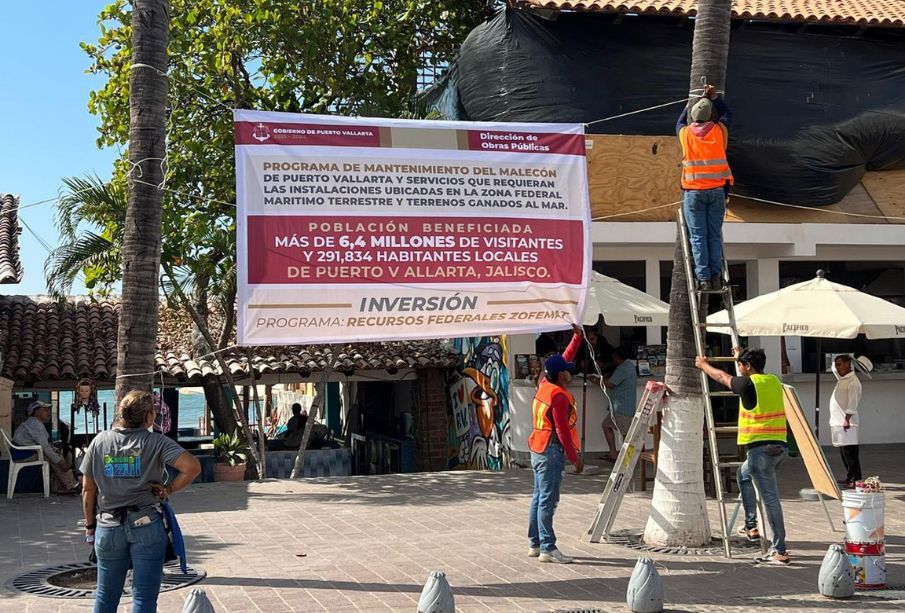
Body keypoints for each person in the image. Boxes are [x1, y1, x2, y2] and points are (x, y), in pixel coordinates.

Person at [81, 390, 201, 613]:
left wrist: (90, 527)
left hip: (108, 527)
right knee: (144, 597)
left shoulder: (100, 441)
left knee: (106, 595)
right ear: (149, 417)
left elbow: (88, 489)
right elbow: (192, 467)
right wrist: (169, 489)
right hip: (146, 524)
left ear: (121, 413)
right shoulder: (156, 442)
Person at [696, 347, 790, 565]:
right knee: (743, 474)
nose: (738, 368)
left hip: (760, 450)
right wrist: (739, 353)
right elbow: (742, 374)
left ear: (747, 366)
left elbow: (721, 376)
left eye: (740, 364)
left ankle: (780, 550)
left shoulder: (747, 384)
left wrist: (703, 364)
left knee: (770, 499)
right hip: (779, 447)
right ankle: (750, 525)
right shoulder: (773, 380)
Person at [527, 324, 583, 564]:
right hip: (551, 449)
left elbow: (563, 359)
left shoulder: (544, 385)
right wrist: (575, 459)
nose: (570, 372)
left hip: (537, 447)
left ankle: (535, 543)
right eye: (567, 371)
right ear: (562, 375)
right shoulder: (559, 396)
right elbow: (561, 429)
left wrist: (577, 338)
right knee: (548, 499)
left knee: (538, 497)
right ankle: (548, 548)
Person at [677, 84, 734, 292]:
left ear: (693, 116)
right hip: (717, 191)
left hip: (694, 193)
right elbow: (728, 113)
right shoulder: (720, 131)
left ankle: (703, 279)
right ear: (711, 117)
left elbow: (680, 122)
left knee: (698, 237)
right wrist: (715, 97)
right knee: (714, 235)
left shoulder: (685, 134)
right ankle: (716, 276)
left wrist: (687, 105)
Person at [13, 400, 80, 494]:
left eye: (48, 410)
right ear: (36, 412)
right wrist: (61, 463)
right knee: (54, 457)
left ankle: (61, 486)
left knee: (54, 453)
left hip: (23, 452)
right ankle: (72, 484)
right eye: (44, 410)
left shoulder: (32, 422)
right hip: (23, 454)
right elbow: (45, 447)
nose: (48, 412)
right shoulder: (36, 424)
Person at [830, 355, 863, 488]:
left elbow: (852, 403)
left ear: (848, 364)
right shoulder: (843, 379)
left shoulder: (853, 382)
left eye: (839, 364)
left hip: (847, 423)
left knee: (850, 454)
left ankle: (856, 479)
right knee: (844, 453)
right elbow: (833, 369)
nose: (837, 368)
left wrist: (847, 419)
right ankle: (849, 477)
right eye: (836, 365)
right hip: (838, 422)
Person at [601, 347, 638, 461]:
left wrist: (598, 380)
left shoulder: (623, 368)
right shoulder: (627, 366)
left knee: (625, 434)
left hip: (623, 407)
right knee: (606, 425)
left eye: (614, 357)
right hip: (618, 407)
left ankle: (629, 458)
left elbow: (611, 384)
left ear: (618, 357)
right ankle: (613, 453)